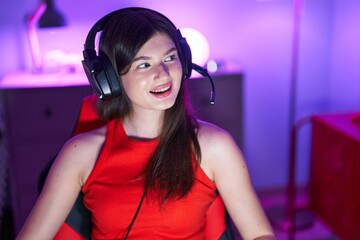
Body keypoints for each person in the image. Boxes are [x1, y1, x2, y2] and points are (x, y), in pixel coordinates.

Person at [16, 7, 276, 240]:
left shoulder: (214, 147)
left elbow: (259, 234)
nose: (162, 75)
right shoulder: (81, 154)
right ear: (111, 79)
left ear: (184, 62)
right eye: (144, 64)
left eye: (170, 58)